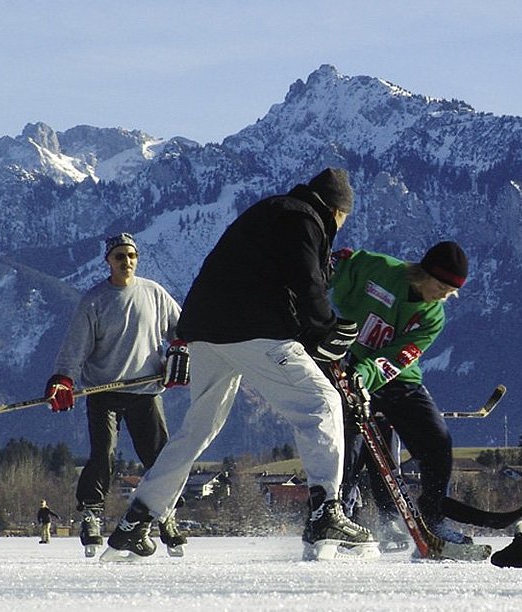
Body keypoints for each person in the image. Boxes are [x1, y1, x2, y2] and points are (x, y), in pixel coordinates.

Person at [104, 168, 378, 562]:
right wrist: (327, 330)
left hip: (205, 331)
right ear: (337, 209)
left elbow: (264, 278)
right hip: (252, 330)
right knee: (321, 403)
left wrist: (313, 331)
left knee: (197, 428)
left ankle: (138, 519)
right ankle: (326, 513)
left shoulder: (270, 212)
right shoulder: (304, 219)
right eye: (343, 219)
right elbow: (307, 282)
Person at [44, 232, 189, 557]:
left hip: (145, 390)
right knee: (103, 454)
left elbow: (182, 329)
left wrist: (180, 350)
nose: (127, 262)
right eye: (120, 256)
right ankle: (92, 515)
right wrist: (63, 378)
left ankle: (166, 514)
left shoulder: (154, 293)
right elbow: (75, 347)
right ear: (108, 261)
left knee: (159, 457)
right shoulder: (94, 300)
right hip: (104, 391)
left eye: (131, 256)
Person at [331, 241, 473, 545]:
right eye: (439, 287)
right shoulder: (378, 268)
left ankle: (433, 517)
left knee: (438, 441)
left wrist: (365, 376)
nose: (442, 296)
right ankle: (338, 516)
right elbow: (329, 270)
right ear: (423, 273)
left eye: (450, 294)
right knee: (349, 445)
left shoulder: (433, 317)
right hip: (346, 362)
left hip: (396, 378)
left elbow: (398, 357)